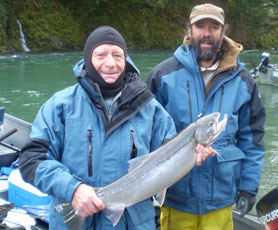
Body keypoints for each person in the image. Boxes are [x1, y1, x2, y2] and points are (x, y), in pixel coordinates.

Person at [18, 26, 213, 230]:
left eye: (117, 55)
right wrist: (73, 190)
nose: (110, 63)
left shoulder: (152, 110)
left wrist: (191, 157)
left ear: (126, 60)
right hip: (76, 222)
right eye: (101, 55)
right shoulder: (60, 105)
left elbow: (169, 157)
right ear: (87, 59)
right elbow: (32, 159)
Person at [146, 3, 266, 230]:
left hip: (221, 200)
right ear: (189, 30)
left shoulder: (242, 80)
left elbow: (253, 139)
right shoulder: (162, 75)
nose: (207, 33)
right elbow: (144, 132)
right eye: (200, 26)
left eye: (214, 27)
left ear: (223, 31)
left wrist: (248, 187)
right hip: (175, 199)